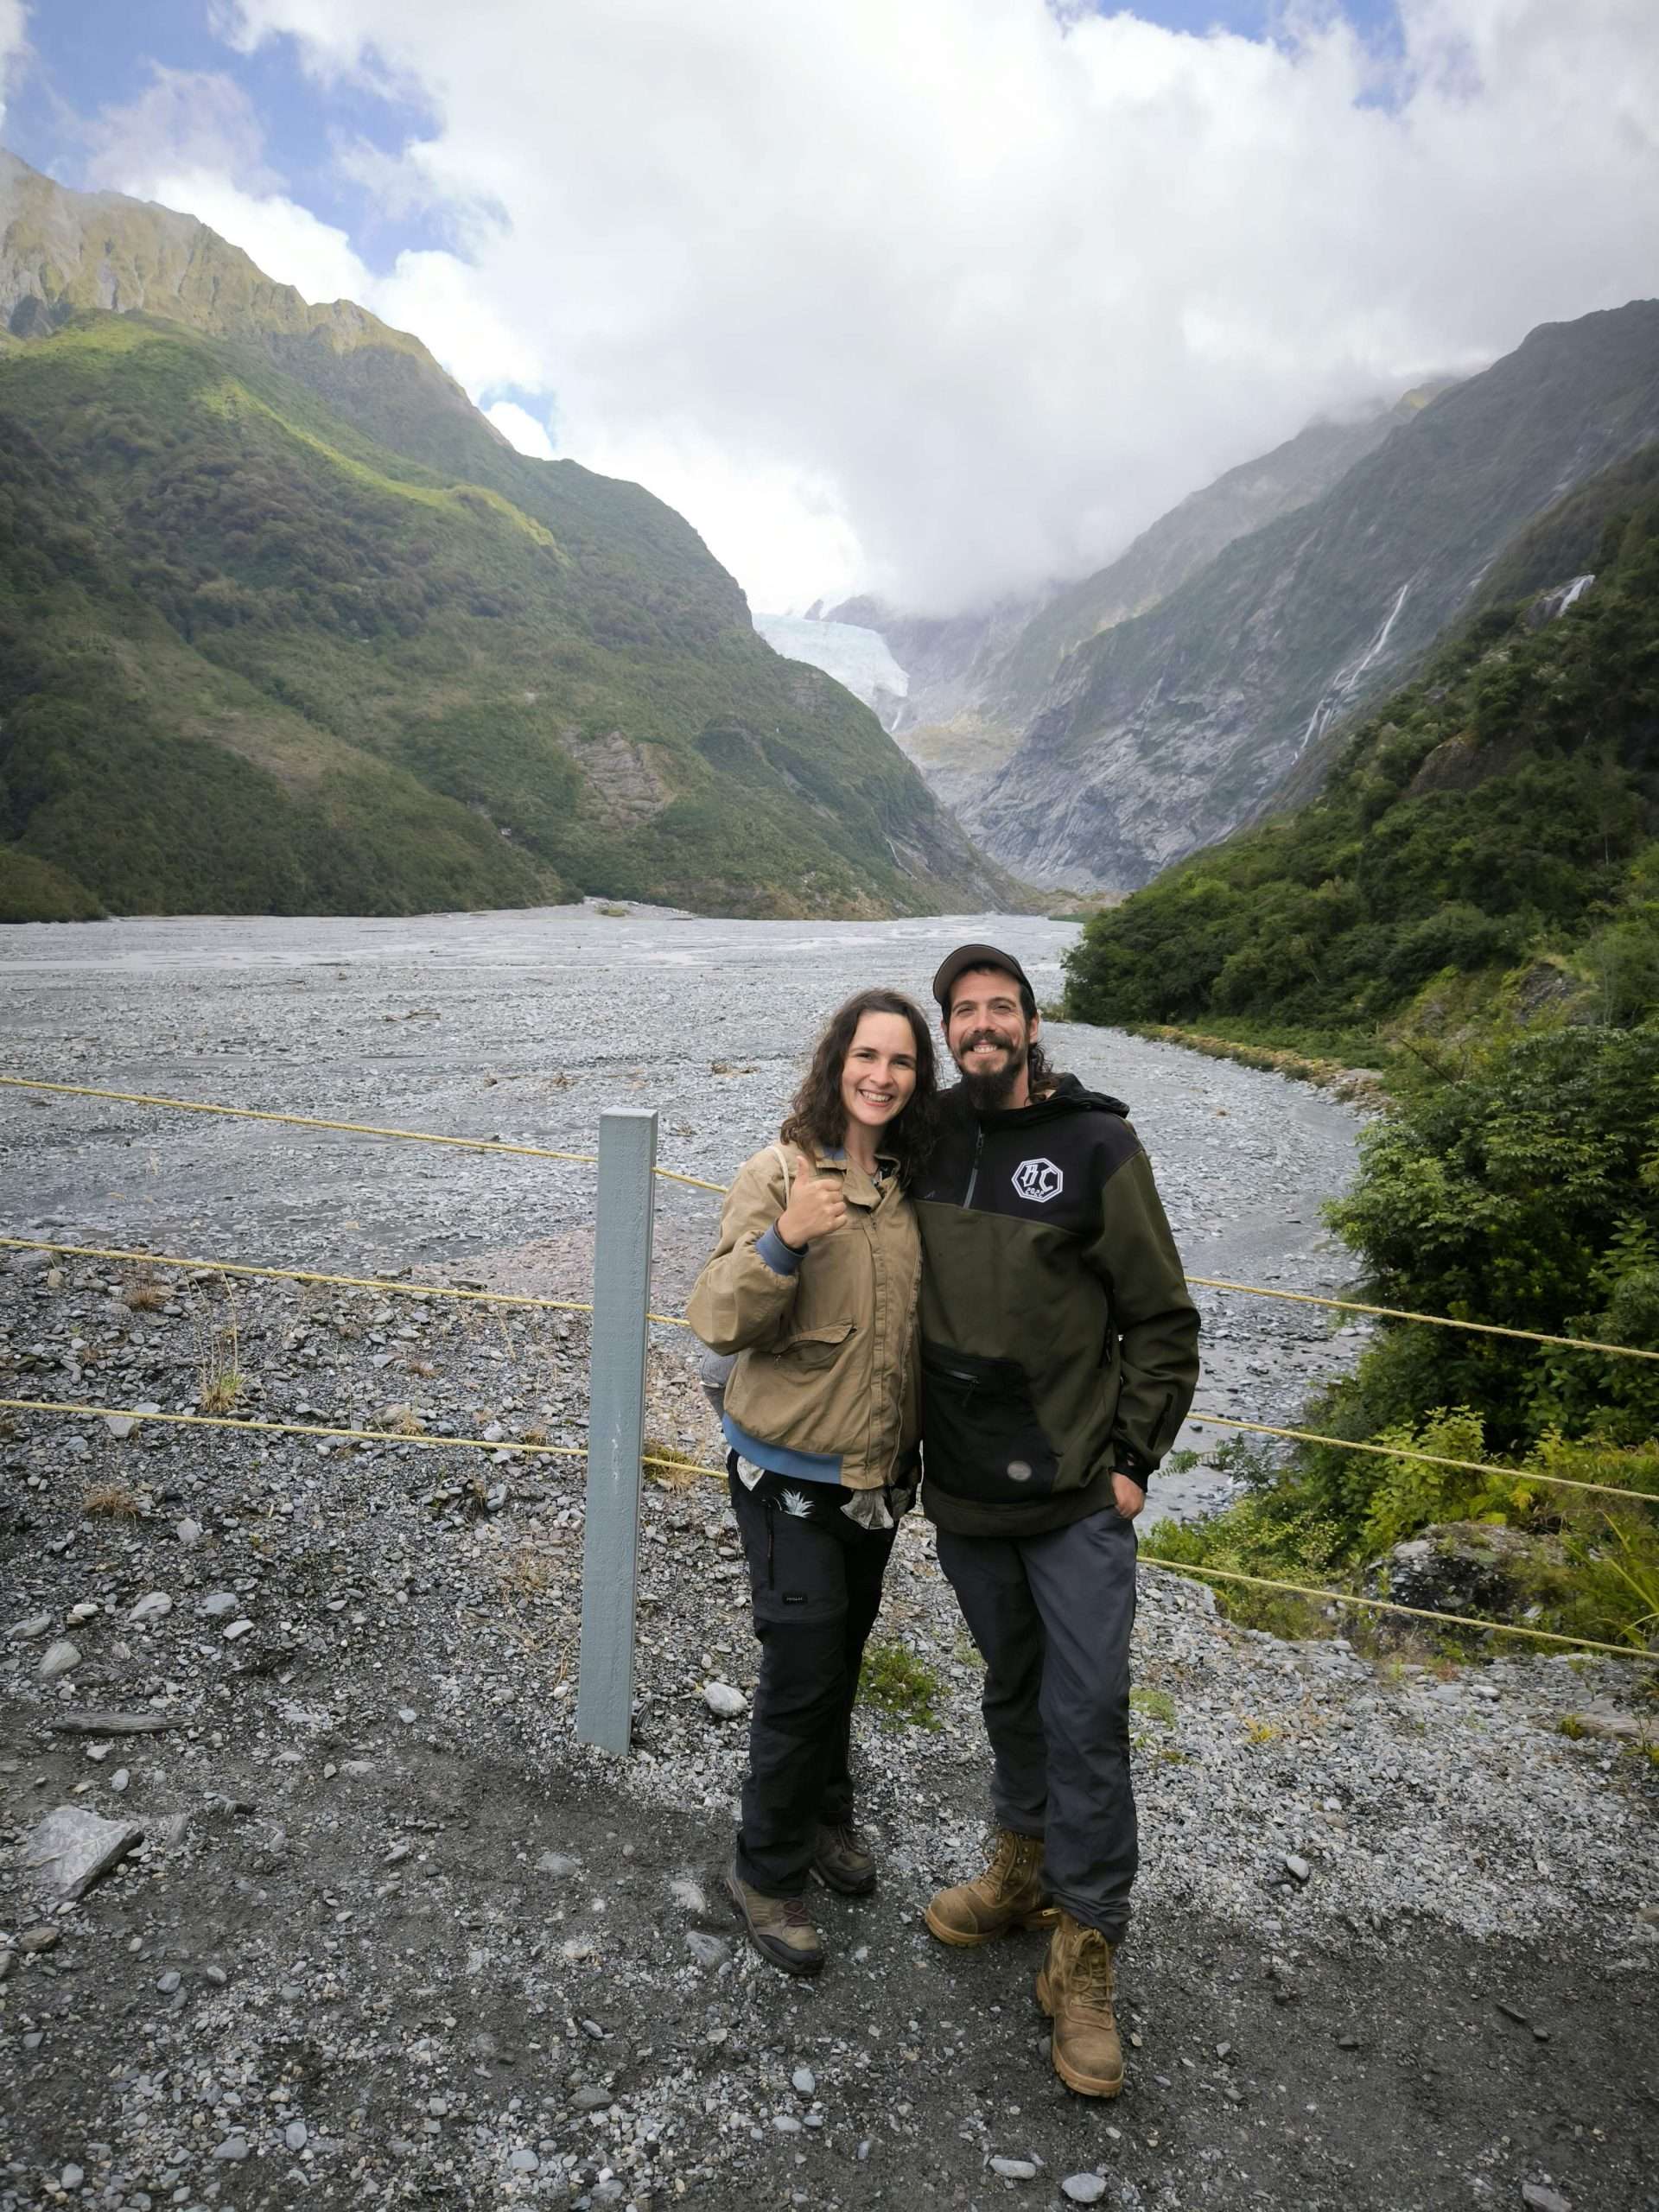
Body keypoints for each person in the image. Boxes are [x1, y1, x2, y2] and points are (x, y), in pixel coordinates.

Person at [914, 942, 1199, 2098]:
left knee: (1090, 1712)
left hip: (1078, 1493)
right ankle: (1021, 1870)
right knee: (1013, 1688)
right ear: (949, 1031)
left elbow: (1163, 1319)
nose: (982, 1026)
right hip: (969, 1492)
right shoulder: (928, 1138)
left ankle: (1086, 1958)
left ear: (1032, 1024)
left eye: (1001, 1008)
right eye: (963, 1012)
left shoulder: (1098, 1146)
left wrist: (1131, 1463)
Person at [687, 988, 937, 1978]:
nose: (881, 1074)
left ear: (919, 1081)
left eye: (902, 1061)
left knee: (841, 1650)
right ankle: (766, 1866)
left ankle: (827, 1815)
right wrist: (785, 1236)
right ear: (837, 1063)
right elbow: (714, 1314)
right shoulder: (776, 1171)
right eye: (866, 1055)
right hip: (786, 1469)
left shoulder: (914, 1186)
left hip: (875, 1476)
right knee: (801, 1662)